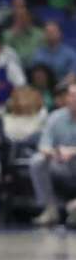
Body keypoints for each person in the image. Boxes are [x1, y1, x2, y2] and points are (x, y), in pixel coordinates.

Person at [29, 84, 76, 227]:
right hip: (61, 165)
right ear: (66, 98)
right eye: (72, 95)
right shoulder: (55, 117)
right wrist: (56, 152)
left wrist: (72, 151)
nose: (74, 99)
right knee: (37, 161)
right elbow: (43, 146)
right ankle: (50, 209)